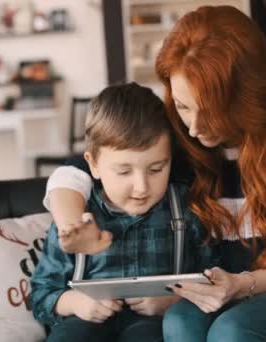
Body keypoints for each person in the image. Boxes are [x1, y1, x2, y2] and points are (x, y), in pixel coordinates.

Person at [45, 5, 266, 342]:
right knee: (180, 321)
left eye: (211, 112)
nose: (194, 128)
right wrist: (71, 226)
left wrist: (243, 284)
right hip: (238, 291)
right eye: (183, 105)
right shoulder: (182, 130)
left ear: (245, 98)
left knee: (234, 331)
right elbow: (85, 166)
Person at [30, 83, 212, 342]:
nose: (142, 187)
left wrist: (174, 299)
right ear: (92, 165)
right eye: (124, 172)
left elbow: (212, 278)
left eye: (157, 168)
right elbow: (40, 294)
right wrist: (75, 303)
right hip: (84, 321)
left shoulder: (184, 208)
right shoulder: (78, 216)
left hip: (154, 322)